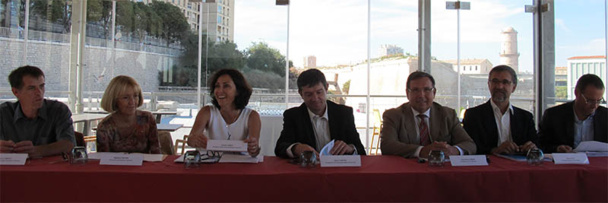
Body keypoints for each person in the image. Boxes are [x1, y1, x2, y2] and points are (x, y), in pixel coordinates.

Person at [381, 71, 476, 158]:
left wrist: (454, 150)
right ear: (407, 93)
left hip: (441, 170)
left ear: (434, 92)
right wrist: (422, 151)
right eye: (415, 90)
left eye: (426, 90)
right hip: (407, 170)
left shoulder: (448, 115)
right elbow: (387, 146)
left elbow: (469, 144)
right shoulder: (393, 115)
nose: (421, 95)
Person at [274, 68, 366, 159]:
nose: (315, 98)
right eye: (309, 94)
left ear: (326, 88)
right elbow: (280, 148)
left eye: (319, 92)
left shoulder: (344, 113)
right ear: (301, 94)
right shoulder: (293, 116)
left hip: (338, 169)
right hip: (307, 171)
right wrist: (296, 148)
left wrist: (350, 148)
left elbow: (360, 150)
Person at [0, 65, 75, 157]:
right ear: (16, 92)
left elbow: (68, 144)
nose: (39, 92)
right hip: (12, 169)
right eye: (31, 88)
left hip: (48, 169)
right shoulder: (3, 113)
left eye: (41, 86)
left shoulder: (58, 110)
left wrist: (36, 150)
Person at [463, 65, 537, 155]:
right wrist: (495, 150)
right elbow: (470, 147)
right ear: (489, 84)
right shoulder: (474, 115)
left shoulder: (525, 117)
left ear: (513, 87)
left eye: (505, 82)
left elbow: (538, 145)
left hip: (519, 166)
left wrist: (531, 147)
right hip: (487, 166)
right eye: (495, 81)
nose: (499, 86)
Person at [187, 69, 261, 157]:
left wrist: (253, 148)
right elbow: (190, 140)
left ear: (238, 91)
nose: (219, 91)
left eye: (226, 86)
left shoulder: (252, 116)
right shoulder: (206, 112)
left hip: (240, 166)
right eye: (217, 86)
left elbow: (254, 152)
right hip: (210, 165)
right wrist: (194, 140)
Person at [539, 74, 607, 153]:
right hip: (565, 163)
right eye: (590, 100)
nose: (595, 106)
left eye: (599, 101)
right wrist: (557, 148)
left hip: (598, 163)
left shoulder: (605, 116)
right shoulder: (554, 115)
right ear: (576, 93)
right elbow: (540, 144)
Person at [96, 75, 161, 154]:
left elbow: (156, 154)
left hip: (145, 166)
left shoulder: (147, 119)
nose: (132, 102)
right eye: (125, 98)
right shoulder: (105, 126)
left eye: (135, 96)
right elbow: (102, 159)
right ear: (114, 100)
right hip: (115, 166)